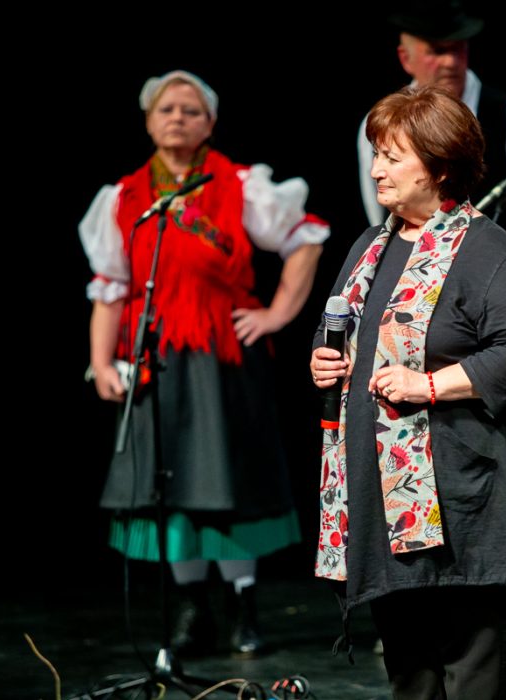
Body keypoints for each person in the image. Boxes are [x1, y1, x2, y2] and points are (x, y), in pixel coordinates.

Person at [357, 0, 506, 656]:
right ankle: (410, 599)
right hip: (411, 325)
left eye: (457, 47)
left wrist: (492, 290)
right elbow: (383, 224)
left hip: (492, 318)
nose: (448, 60)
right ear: (406, 56)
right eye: (434, 49)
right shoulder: (385, 125)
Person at [79, 69, 328, 658]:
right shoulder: (125, 197)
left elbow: (306, 238)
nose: (178, 118)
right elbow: (110, 287)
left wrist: (276, 314)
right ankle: (192, 608)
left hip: (224, 358)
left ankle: (243, 604)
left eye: (191, 110)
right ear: (148, 121)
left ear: (210, 123)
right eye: (167, 109)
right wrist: (101, 361)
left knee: (228, 480)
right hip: (158, 357)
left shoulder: (239, 184)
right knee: (171, 485)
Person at [313, 85, 506, 699]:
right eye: (377, 155)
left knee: (473, 675)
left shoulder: (485, 248)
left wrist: (431, 384)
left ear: (440, 167)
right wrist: (325, 359)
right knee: (411, 679)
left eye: (392, 157)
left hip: (464, 498)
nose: (376, 169)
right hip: (385, 506)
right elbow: (342, 325)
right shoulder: (370, 247)